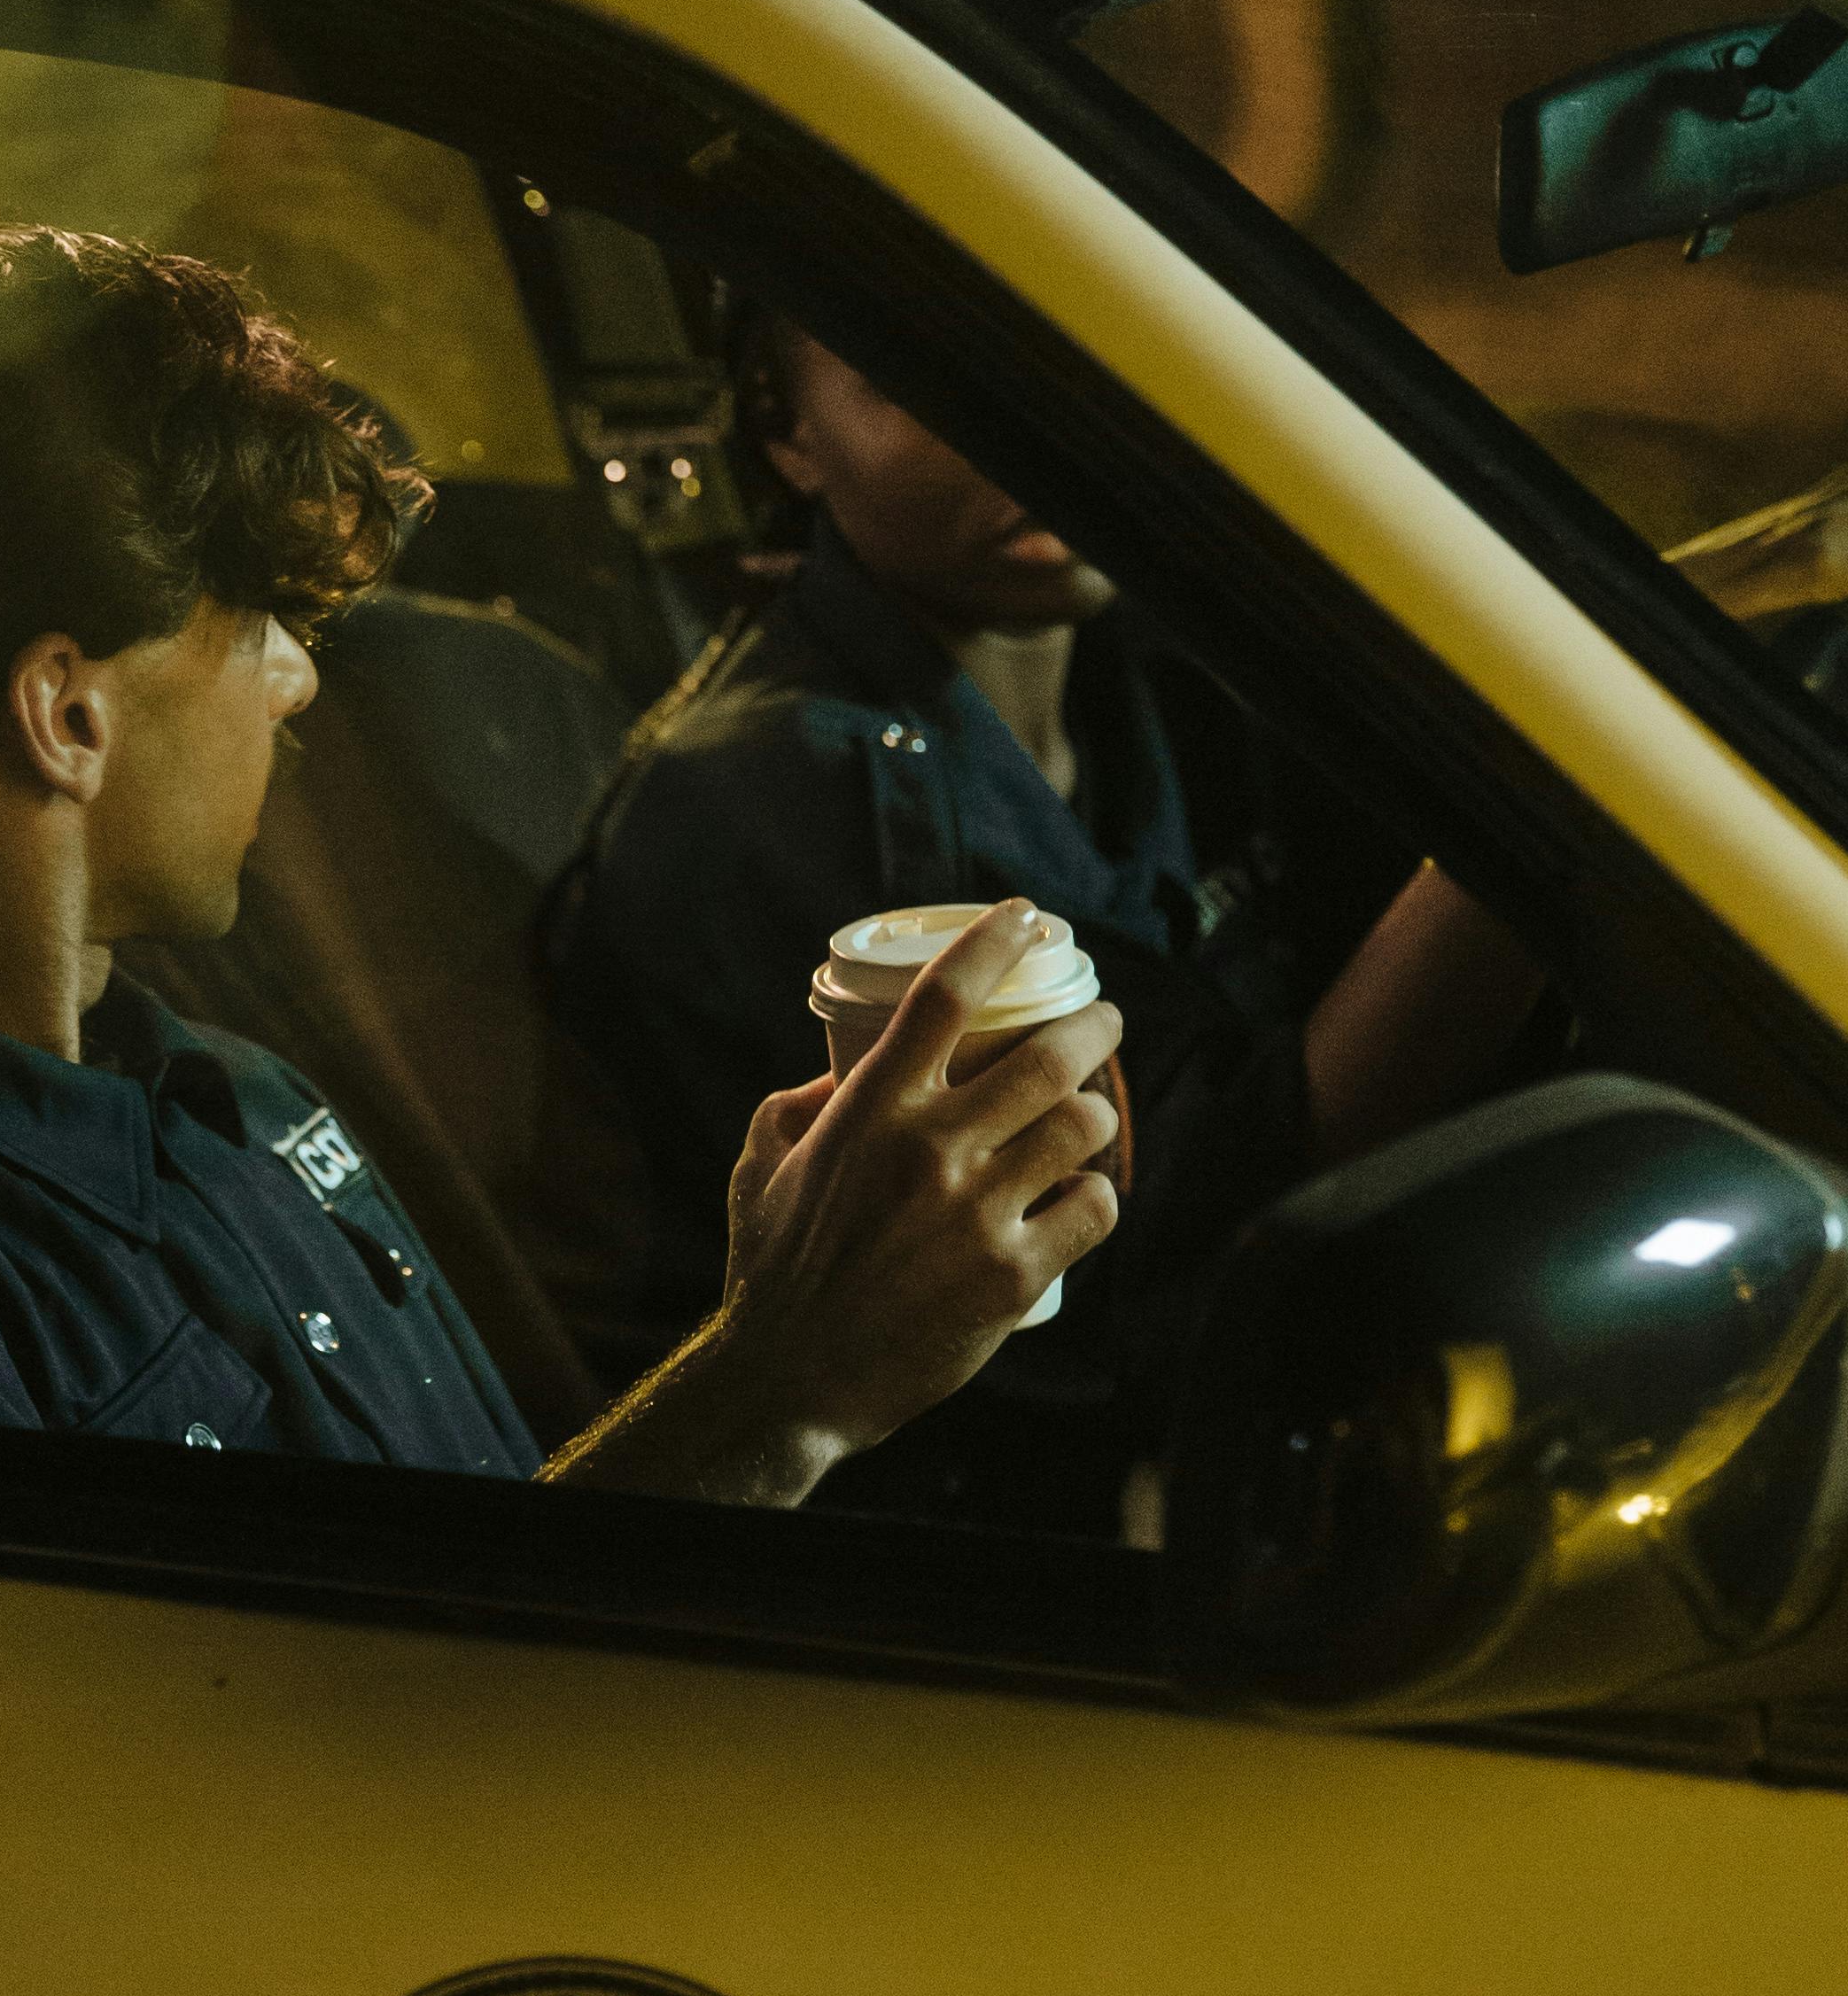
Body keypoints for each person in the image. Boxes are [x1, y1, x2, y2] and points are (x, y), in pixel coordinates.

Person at [0, 215, 1124, 1511]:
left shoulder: (224, 1096)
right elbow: (227, 1843)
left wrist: (776, 1317)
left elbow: (461, 1610)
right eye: (258, 625)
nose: (294, 681)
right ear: (65, 716)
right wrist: (782, 1387)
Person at [547, 315, 1541, 1523]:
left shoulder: (1170, 669)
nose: (1022, 428)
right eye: (916, 378)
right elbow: (1149, 1268)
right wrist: (1550, 823)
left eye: (1067, 354)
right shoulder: (763, 804)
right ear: (785, 434)